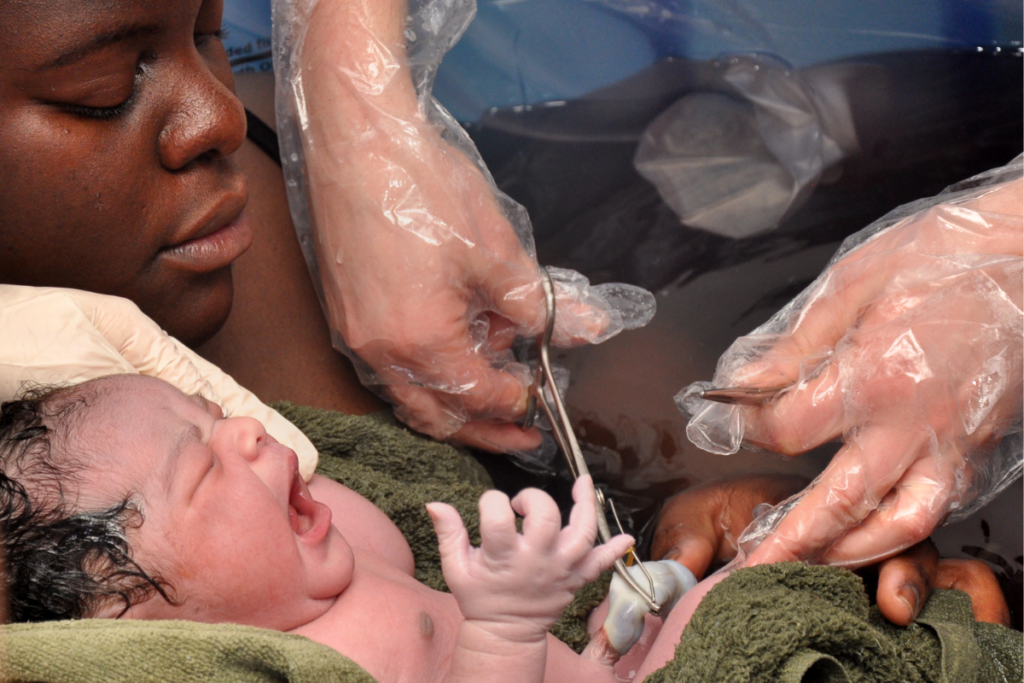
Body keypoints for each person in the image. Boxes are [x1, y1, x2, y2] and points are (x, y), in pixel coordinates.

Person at [0, 374, 704, 682]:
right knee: (732, 598)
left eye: (213, 413)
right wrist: (505, 633)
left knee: (714, 578)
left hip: (607, 662)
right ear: (136, 618)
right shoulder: (304, 666)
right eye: (202, 468)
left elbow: (392, 538)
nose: (246, 428)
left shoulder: (319, 558)